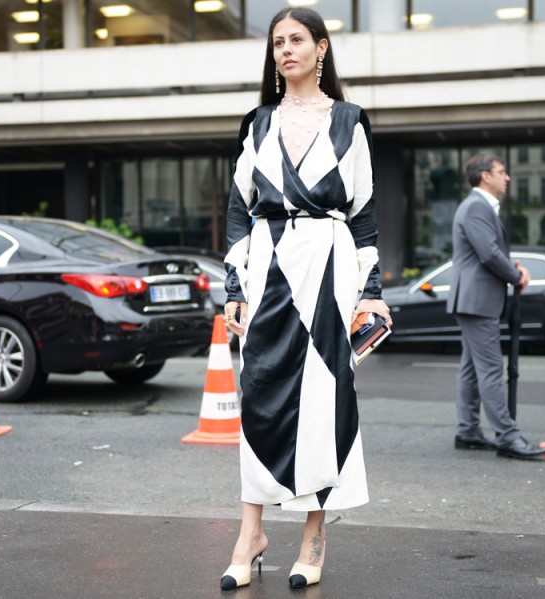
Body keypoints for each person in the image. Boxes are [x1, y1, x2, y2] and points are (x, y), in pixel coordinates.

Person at [219, 7, 391, 591]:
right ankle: (251, 531)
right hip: (267, 263)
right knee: (257, 390)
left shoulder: (350, 122)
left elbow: (364, 213)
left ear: (321, 48)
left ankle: (314, 533)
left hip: (329, 263)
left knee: (323, 398)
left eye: (296, 40)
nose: (285, 50)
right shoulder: (257, 123)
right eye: (277, 43)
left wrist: (371, 293)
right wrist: (233, 285)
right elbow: (239, 208)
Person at [446, 153, 545, 460]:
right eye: (501, 172)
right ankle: (507, 436)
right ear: (484, 176)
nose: (507, 178)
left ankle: (468, 430)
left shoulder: (478, 207)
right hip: (477, 301)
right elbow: (489, 254)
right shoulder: (477, 206)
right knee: (491, 369)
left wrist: (512, 267)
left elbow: (489, 252)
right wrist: (516, 275)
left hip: (473, 298)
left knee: (471, 369)